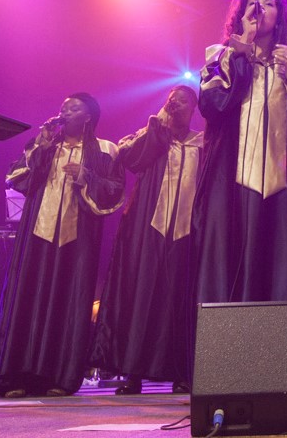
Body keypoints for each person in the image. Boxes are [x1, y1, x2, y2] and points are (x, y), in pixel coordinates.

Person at [194, 0, 287, 303]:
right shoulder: (223, 56)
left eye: (268, 3)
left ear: (279, 15)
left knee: (281, 263)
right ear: (242, 14)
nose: (259, 8)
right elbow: (212, 105)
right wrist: (242, 48)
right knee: (230, 256)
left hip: (285, 182)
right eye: (252, 3)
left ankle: (282, 332)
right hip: (231, 181)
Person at [0, 93, 123, 398]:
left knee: (68, 302)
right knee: (27, 299)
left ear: (88, 116)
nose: (65, 111)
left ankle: (59, 377)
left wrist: (86, 176)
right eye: (63, 108)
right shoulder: (46, 145)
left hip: (77, 241)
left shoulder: (105, 149)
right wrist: (42, 145)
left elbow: (115, 190)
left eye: (74, 108)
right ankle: (16, 376)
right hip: (38, 237)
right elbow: (16, 176)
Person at [91, 85, 203, 394]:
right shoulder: (154, 135)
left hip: (187, 233)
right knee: (140, 295)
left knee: (180, 301)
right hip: (148, 228)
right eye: (171, 101)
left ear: (194, 108)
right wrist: (156, 125)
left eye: (182, 102)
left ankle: (182, 373)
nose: (175, 105)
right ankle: (133, 371)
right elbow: (128, 158)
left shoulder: (202, 143)